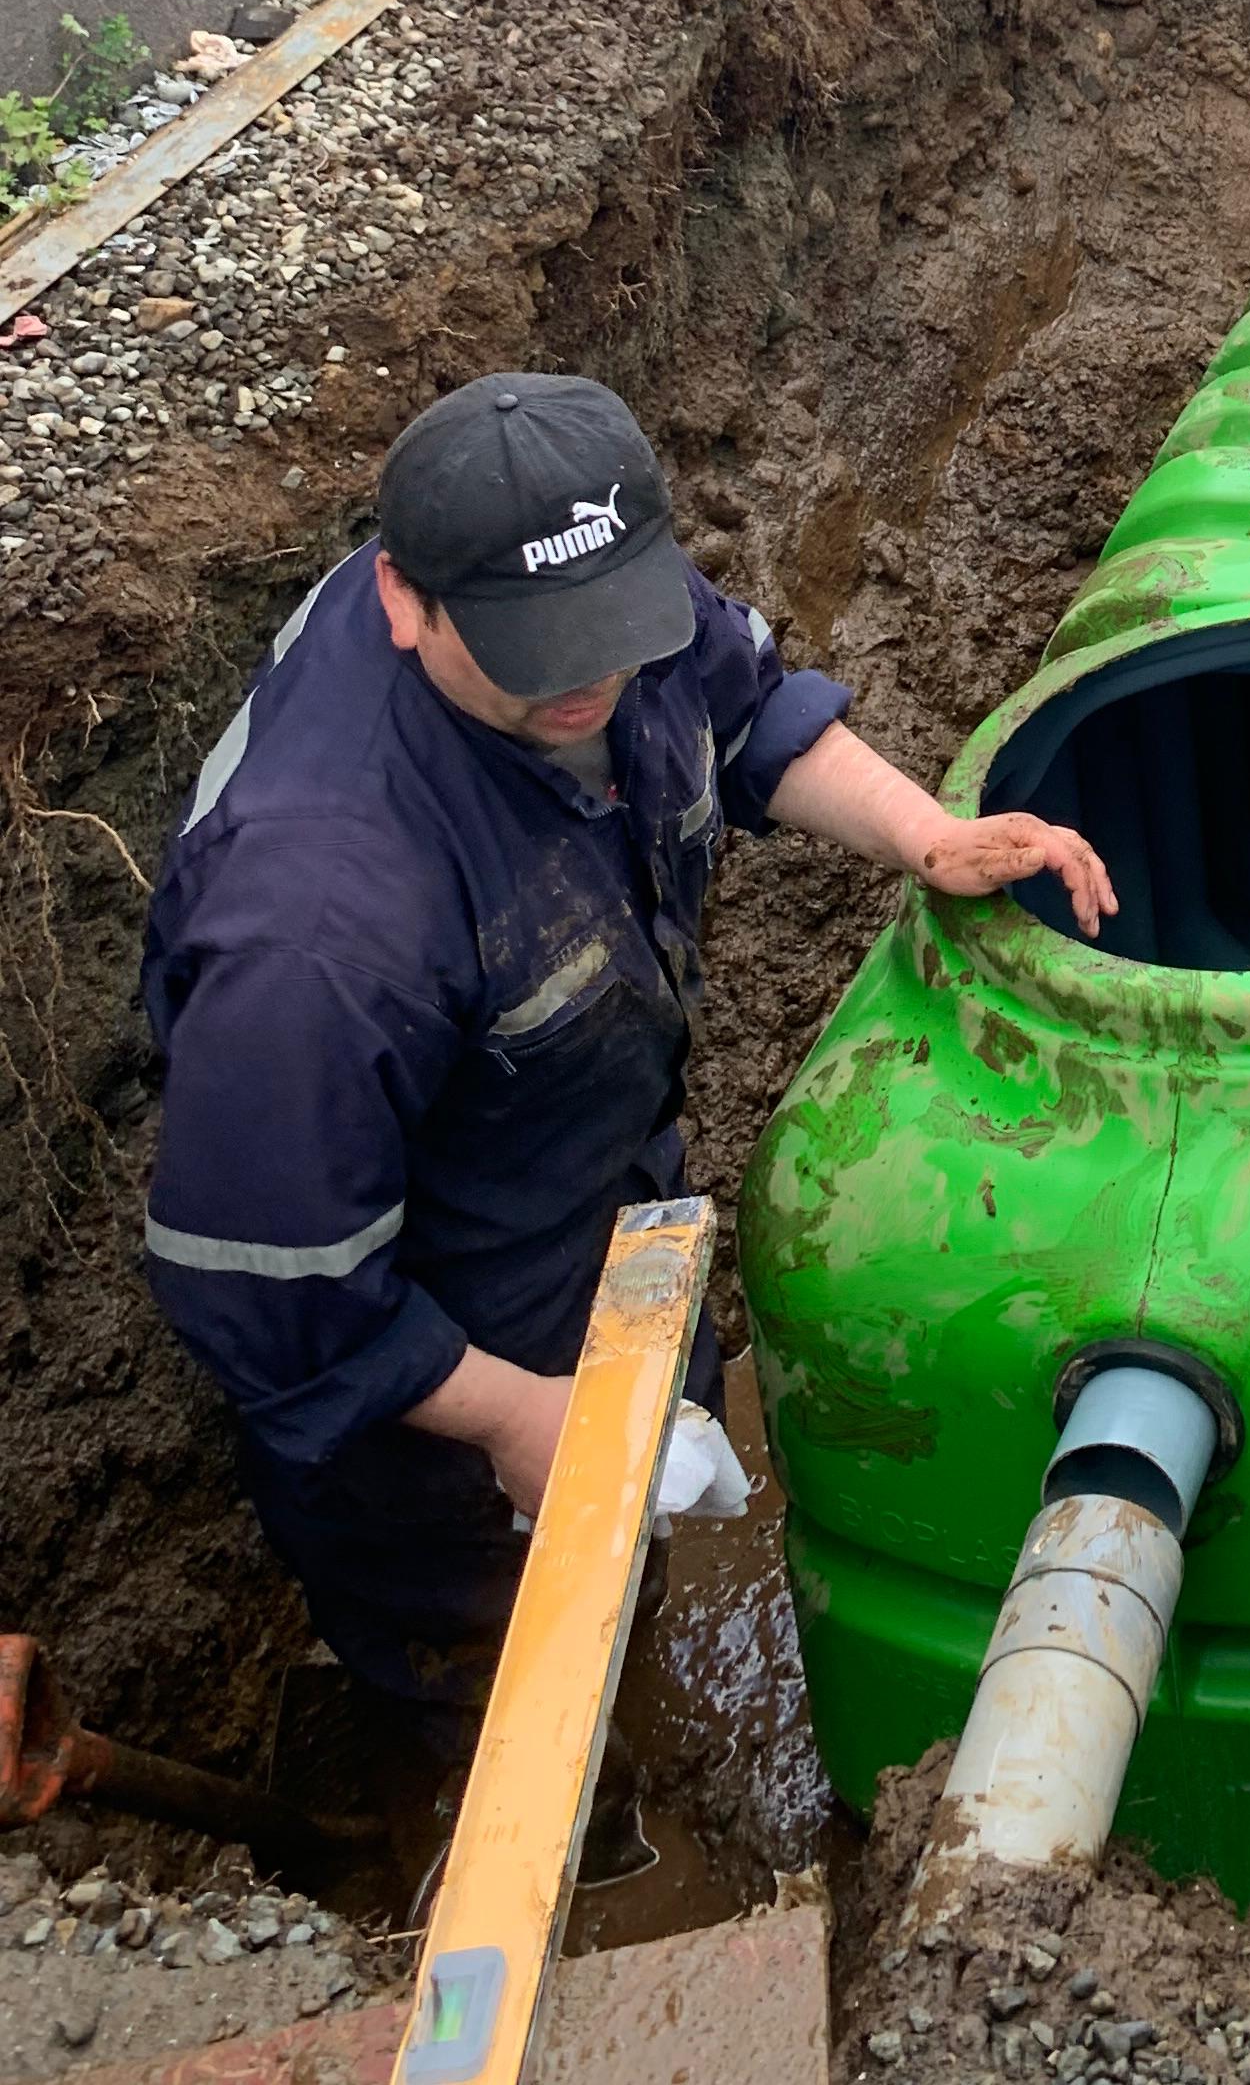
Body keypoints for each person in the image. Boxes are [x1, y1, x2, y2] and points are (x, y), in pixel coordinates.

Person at [140, 371, 1118, 1764]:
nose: (592, 679)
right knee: (498, 1681)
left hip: (579, 1174)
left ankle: (629, 1661)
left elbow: (741, 706)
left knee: (635, 1538)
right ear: (402, 602)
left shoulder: (580, 606)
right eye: (544, 652)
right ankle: (507, 1796)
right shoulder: (322, 928)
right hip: (425, 1364)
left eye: (615, 628)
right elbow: (270, 1289)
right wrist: (518, 1418)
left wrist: (925, 836)